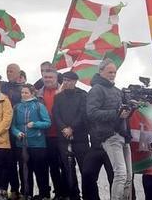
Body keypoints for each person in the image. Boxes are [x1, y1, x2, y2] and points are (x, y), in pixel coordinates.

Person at [87, 59, 132, 200]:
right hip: (109, 136)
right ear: (101, 72)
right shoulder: (96, 89)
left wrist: (131, 108)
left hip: (123, 135)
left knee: (129, 176)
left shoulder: (117, 91)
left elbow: (122, 113)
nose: (113, 75)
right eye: (109, 72)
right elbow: (91, 113)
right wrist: (116, 112)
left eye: (114, 72)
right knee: (120, 174)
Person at [53, 71, 89, 200]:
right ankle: (74, 196)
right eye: (64, 80)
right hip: (63, 138)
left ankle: (88, 195)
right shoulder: (58, 97)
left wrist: (72, 128)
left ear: (75, 81)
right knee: (68, 169)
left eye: (68, 80)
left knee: (85, 169)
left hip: (80, 138)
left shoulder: (83, 95)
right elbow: (56, 114)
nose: (66, 82)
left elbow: (83, 113)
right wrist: (64, 128)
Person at [11, 84, 52, 200]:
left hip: (38, 144)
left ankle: (44, 194)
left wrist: (35, 124)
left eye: (26, 92)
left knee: (41, 171)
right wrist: (17, 133)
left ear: (32, 93)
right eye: (22, 93)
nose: (23, 95)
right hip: (22, 144)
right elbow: (12, 125)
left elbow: (47, 122)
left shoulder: (39, 106)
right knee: (24, 170)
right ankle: (26, 193)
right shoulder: (17, 107)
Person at [38, 69, 64, 198]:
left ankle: (68, 193)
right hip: (45, 136)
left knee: (65, 166)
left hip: (61, 135)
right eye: (45, 77)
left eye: (51, 77)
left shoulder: (63, 92)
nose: (48, 79)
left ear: (56, 78)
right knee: (51, 166)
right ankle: (56, 193)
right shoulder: (38, 94)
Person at [2, 63, 23, 198]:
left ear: (18, 74)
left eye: (12, 71)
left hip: (19, 130)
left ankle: (25, 190)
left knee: (22, 162)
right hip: (5, 130)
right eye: (7, 71)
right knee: (9, 162)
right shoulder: (2, 86)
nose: (9, 73)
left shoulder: (23, 89)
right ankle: (14, 189)